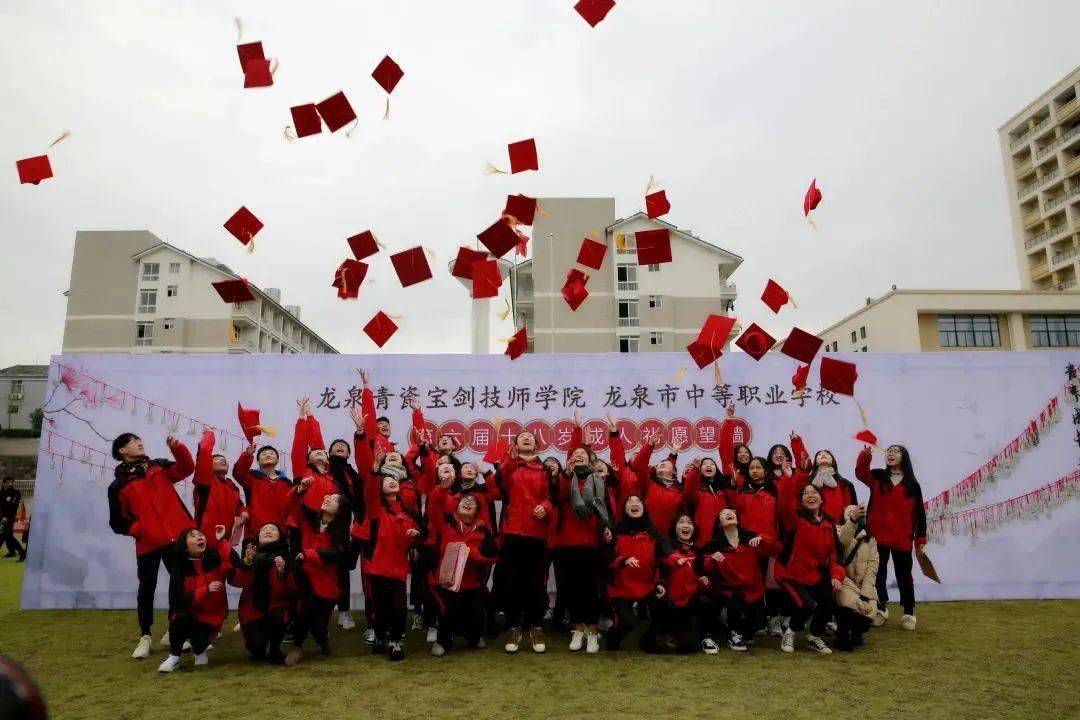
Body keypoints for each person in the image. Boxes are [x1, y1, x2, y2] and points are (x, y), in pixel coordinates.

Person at [107, 432, 195, 659]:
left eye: (139, 439)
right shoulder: (117, 486)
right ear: (121, 451)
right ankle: (145, 636)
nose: (139, 441)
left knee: (180, 584)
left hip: (175, 539)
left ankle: (173, 632)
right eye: (132, 441)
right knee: (147, 588)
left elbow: (186, 468)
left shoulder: (157, 466)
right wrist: (142, 529)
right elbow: (118, 523)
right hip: (147, 543)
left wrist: (178, 448)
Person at [355, 418, 422, 661]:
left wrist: (415, 536)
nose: (391, 482)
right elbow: (371, 488)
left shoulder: (406, 512)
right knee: (380, 607)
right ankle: (381, 635)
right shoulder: (375, 509)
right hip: (376, 566)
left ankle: (395, 641)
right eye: (387, 481)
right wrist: (374, 467)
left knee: (399, 606)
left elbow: (415, 533)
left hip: (398, 567)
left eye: (395, 481)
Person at [855, 444, 927, 631]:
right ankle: (881, 609)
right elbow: (861, 473)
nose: (891, 454)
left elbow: (919, 514)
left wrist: (920, 541)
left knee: (904, 576)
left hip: (902, 538)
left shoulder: (912, 485)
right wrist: (865, 456)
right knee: (878, 574)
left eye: (896, 451)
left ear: (904, 456)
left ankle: (909, 613)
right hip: (877, 536)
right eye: (889, 451)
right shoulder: (878, 476)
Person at [494, 430, 554, 654]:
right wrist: (510, 458)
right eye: (522, 437)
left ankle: (535, 626)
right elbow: (500, 482)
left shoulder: (544, 469)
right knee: (512, 581)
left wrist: (545, 507)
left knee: (536, 582)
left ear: (537, 444)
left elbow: (552, 497)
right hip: (513, 531)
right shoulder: (511, 465)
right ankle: (514, 626)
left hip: (537, 533)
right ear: (516, 443)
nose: (526, 438)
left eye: (530, 437)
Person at [553, 445, 612, 653]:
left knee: (592, 589)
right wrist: (567, 474)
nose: (578, 456)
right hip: (568, 542)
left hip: (592, 541)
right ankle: (578, 629)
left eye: (583, 455)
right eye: (574, 454)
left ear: (590, 460)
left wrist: (607, 528)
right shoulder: (565, 480)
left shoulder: (597, 480)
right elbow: (557, 497)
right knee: (572, 589)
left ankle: (593, 632)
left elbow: (606, 508)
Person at [775, 484, 845, 655]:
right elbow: (784, 504)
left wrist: (836, 575)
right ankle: (790, 631)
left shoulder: (828, 521)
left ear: (822, 498)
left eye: (814, 492)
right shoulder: (795, 518)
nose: (810, 496)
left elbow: (836, 553)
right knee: (806, 606)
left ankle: (813, 636)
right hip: (790, 573)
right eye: (805, 493)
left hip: (815, 573)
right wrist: (793, 477)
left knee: (829, 601)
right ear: (801, 500)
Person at [700, 508, 781, 652]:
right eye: (724, 514)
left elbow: (775, 548)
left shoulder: (751, 538)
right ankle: (733, 633)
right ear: (719, 523)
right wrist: (712, 559)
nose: (729, 513)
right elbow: (703, 566)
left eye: (731, 512)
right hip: (727, 588)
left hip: (753, 588)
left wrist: (763, 538)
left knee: (756, 624)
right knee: (734, 600)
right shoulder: (714, 543)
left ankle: (742, 629)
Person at [428, 495, 498, 656]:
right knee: (448, 609)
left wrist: (470, 553)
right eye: (464, 500)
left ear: (477, 511)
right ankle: (443, 641)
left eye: (472, 502)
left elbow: (493, 555)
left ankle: (473, 637)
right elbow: (434, 504)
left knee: (477, 610)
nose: (467, 502)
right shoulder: (445, 522)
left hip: (471, 583)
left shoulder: (484, 530)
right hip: (443, 581)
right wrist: (442, 488)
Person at [286, 489, 351, 666]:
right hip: (306, 578)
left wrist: (312, 554)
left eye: (335, 499)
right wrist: (298, 492)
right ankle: (297, 646)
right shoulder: (308, 521)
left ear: (341, 510)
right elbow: (291, 506)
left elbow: (337, 554)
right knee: (303, 611)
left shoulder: (340, 533)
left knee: (320, 624)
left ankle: (322, 640)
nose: (328, 498)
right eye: (328, 496)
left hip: (327, 584)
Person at [158, 525, 233, 672]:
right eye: (193, 536)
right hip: (190, 612)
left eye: (201, 534)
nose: (200, 537)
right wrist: (205, 590)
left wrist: (221, 540)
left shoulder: (214, 559)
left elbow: (231, 565)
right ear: (185, 547)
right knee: (178, 620)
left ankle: (199, 650)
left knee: (200, 639)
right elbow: (178, 600)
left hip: (212, 616)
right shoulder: (179, 568)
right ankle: (175, 656)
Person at [645, 514, 715, 654]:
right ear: (674, 527)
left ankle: (702, 636)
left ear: (694, 528)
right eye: (681, 522)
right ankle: (660, 633)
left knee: (689, 647)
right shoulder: (666, 543)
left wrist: (704, 582)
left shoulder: (697, 551)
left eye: (689, 522)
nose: (685, 525)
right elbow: (668, 555)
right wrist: (678, 560)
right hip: (667, 600)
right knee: (653, 646)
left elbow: (700, 576)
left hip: (687, 601)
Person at [230, 522, 297, 664]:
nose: (268, 531)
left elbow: (291, 590)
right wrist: (247, 563)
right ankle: (258, 648)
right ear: (257, 536)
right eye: (263, 529)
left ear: (280, 536)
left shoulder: (286, 557)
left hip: (276, 605)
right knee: (256, 649)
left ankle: (275, 649)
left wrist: (282, 572)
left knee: (278, 616)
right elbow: (236, 582)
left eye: (273, 529)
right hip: (252, 608)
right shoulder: (250, 555)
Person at [604, 495, 660, 651]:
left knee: (664, 606)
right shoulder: (616, 530)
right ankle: (612, 638)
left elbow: (659, 561)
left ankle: (648, 642)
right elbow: (608, 555)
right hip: (620, 587)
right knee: (628, 622)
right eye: (629, 501)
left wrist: (659, 583)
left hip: (646, 586)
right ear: (625, 509)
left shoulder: (653, 533)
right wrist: (623, 560)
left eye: (638, 501)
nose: (634, 504)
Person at [834, 505, 878, 651]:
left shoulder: (870, 539)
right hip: (844, 582)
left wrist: (865, 594)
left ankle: (856, 632)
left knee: (869, 615)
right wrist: (852, 521)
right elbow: (843, 542)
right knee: (850, 604)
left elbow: (873, 566)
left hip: (863, 585)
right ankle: (842, 635)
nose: (855, 514)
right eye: (850, 512)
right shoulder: (839, 533)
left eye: (858, 512)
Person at [192, 428, 247, 544]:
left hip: (224, 541)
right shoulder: (205, 480)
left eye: (225, 460)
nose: (223, 461)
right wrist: (209, 435)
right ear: (209, 464)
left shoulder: (232, 486)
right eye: (217, 459)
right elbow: (204, 452)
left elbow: (239, 506)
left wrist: (243, 512)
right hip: (203, 539)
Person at [807, 450, 858, 524]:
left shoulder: (845, 484)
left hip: (839, 527)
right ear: (816, 462)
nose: (823, 455)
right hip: (814, 525)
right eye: (819, 454)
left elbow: (850, 507)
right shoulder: (809, 482)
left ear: (832, 461)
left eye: (827, 454)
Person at [0, 476, 26, 561]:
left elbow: (14, 507)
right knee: (9, 536)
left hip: (9, 517)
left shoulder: (15, 493)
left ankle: (21, 552)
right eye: (8, 482)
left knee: (3, 535)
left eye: (11, 482)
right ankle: (13, 552)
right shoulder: (1, 492)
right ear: (4, 483)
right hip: (2, 517)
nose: (10, 484)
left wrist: (6, 517)